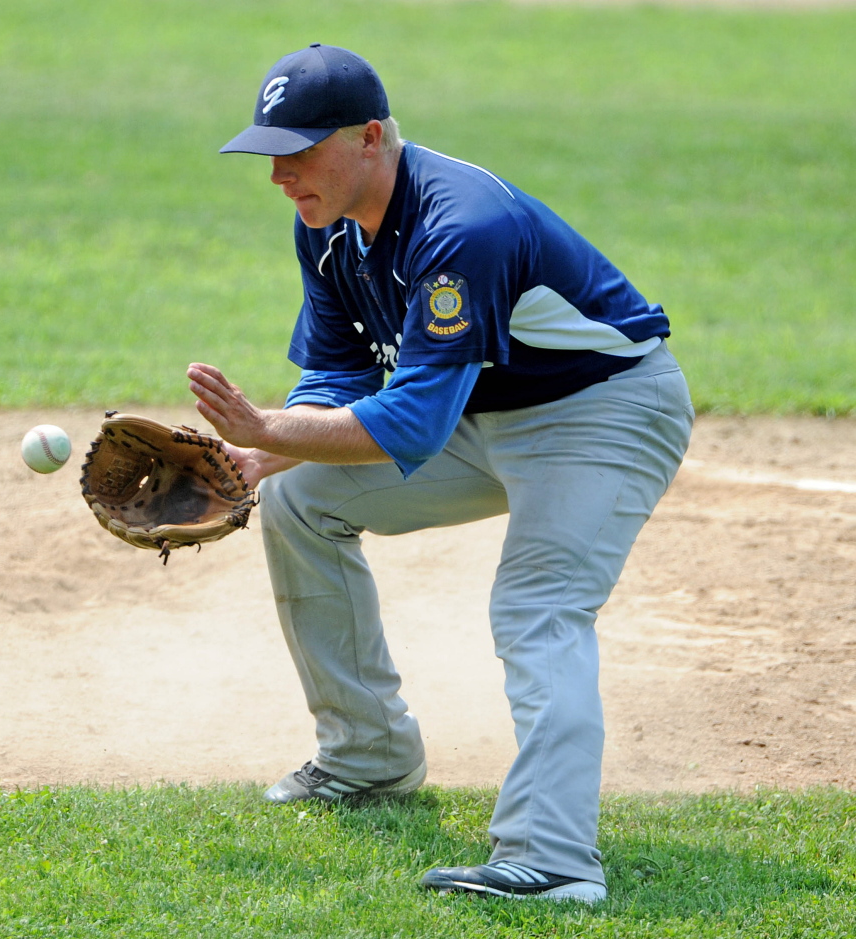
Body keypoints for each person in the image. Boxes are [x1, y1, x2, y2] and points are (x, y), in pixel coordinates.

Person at [187, 43, 693, 903]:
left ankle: (555, 859)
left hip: (601, 412)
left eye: (300, 150)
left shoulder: (462, 225)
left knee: (537, 607)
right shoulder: (328, 224)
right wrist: (258, 455)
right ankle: (368, 756)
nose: (280, 173)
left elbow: (413, 421)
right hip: (481, 414)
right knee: (301, 500)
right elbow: (340, 375)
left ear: (372, 137)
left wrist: (270, 426)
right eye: (271, 152)